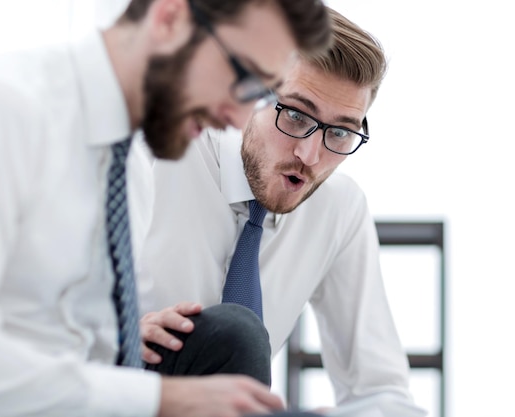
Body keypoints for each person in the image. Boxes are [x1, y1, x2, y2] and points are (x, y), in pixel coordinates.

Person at [0, 0, 332, 416]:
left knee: (232, 343)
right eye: (242, 76)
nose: (236, 119)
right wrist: (164, 399)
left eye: (259, 95)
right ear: (170, 18)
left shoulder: (130, 172)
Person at [134, 7, 425, 414]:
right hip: (124, 394)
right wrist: (120, 339)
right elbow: (38, 327)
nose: (309, 155)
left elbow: (383, 395)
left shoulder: (339, 209)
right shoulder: (155, 152)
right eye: (294, 114)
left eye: (340, 132)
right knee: (237, 335)